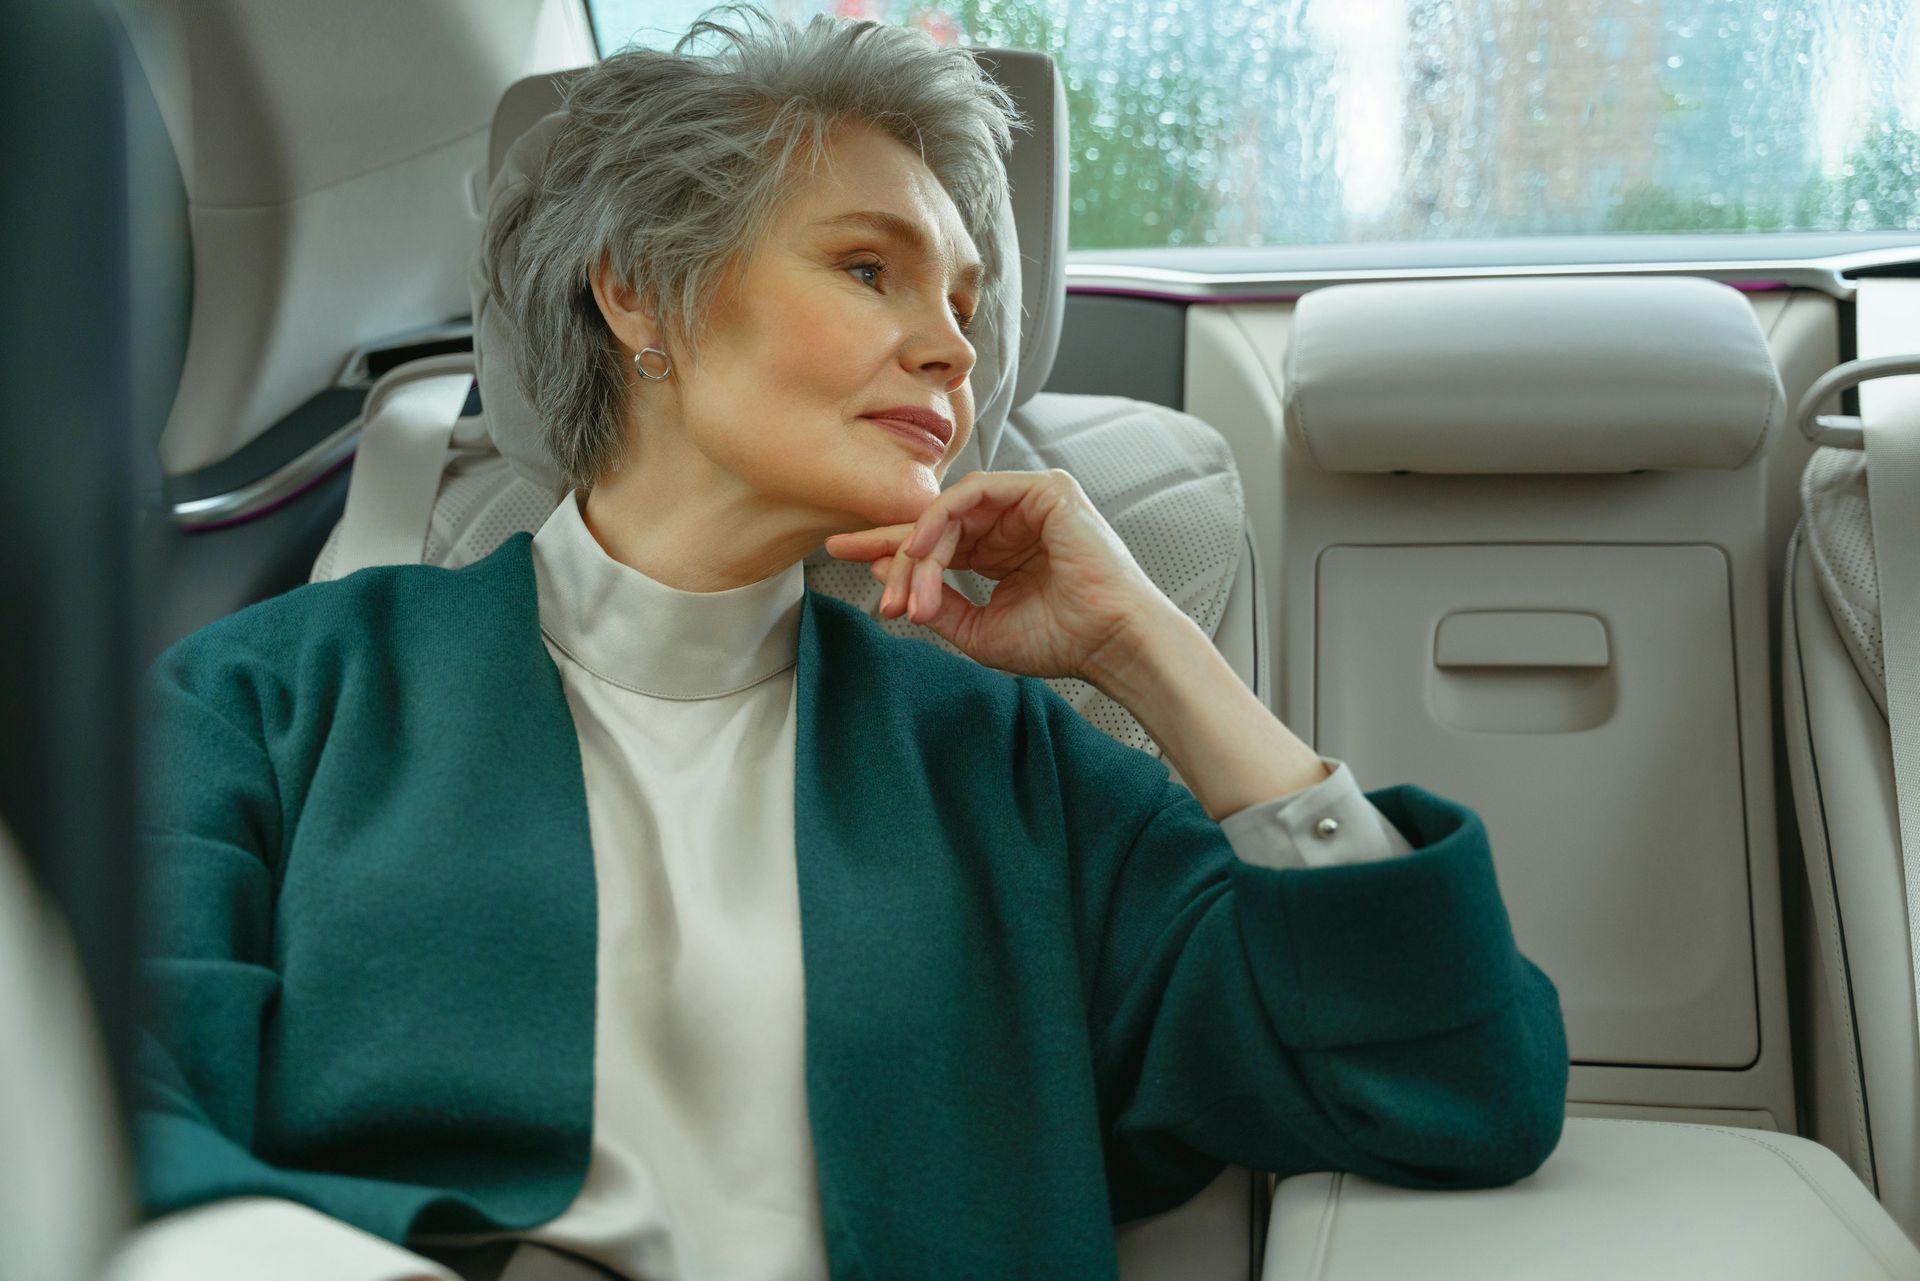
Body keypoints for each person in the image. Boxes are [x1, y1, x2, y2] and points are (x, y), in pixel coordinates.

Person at [109, 7, 1568, 1279]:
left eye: (962, 301)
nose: (949, 345)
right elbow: (102, 1104)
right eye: (870, 269)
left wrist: (1150, 648)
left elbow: (1456, 1073)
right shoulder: (272, 699)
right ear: (640, 294)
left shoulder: (1006, 768)